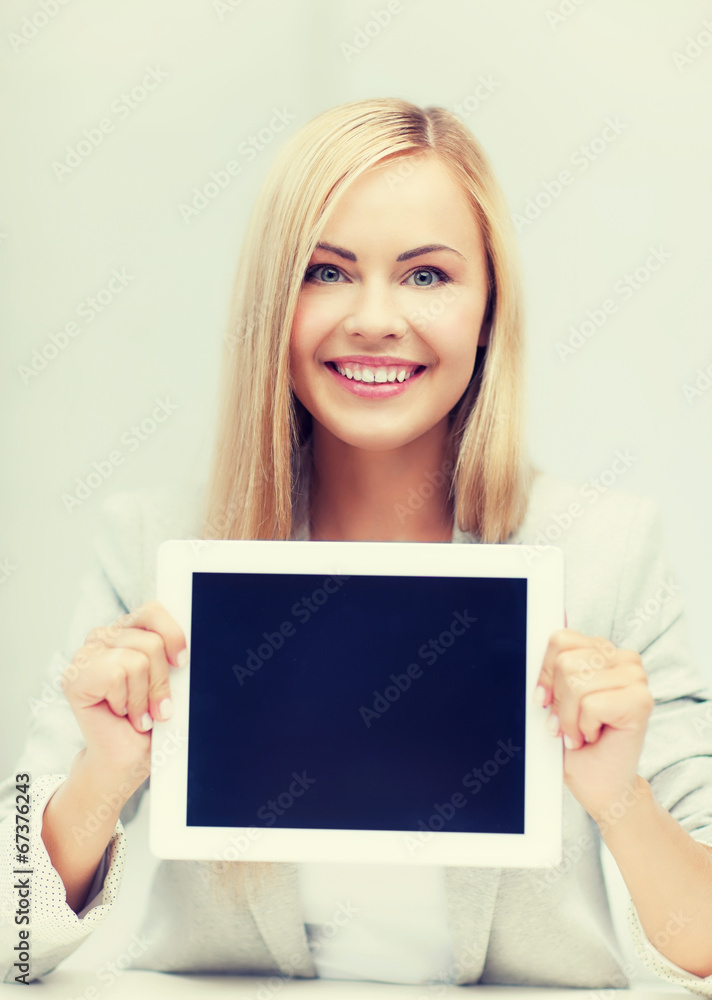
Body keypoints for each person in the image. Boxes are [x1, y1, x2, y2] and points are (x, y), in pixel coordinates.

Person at [2, 97, 712, 992]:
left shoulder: (608, 551)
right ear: (275, 304)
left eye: (426, 277)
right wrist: (100, 779)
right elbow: (8, 932)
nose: (375, 318)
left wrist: (618, 798)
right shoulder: (151, 545)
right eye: (327, 271)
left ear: (489, 308)